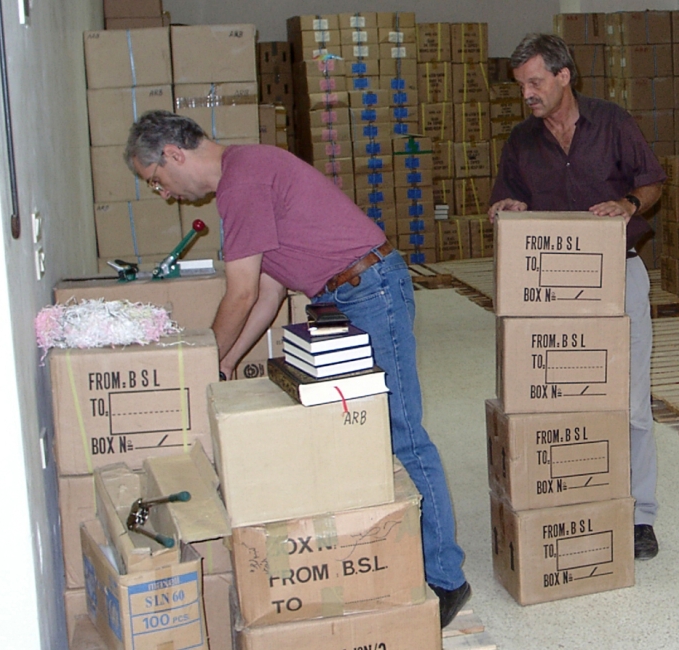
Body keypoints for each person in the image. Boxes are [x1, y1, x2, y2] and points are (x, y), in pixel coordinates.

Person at [123, 110, 471, 627]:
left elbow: (240, 293)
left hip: (370, 291)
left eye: (157, 180)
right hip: (344, 296)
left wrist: (199, 361)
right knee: (354, 431)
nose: (165, 193)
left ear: (174, 155)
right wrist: (225, 359)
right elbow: (266, 291)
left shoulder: (242, 178)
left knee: (400, 434)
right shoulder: (241, 178)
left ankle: (447, 579)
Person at [488, 34, 666, 560]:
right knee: (556, 400)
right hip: (550, 291)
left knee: (631, 403)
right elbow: (500, 201)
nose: (527, 94)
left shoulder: (612, 123)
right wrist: (506, 209)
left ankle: (640, 516)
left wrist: (629, 203)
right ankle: (570, 497)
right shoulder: (521, 142)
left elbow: (653, 180)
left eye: (536, 82)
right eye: (522, 85)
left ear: (565, 76)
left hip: (619, 278)